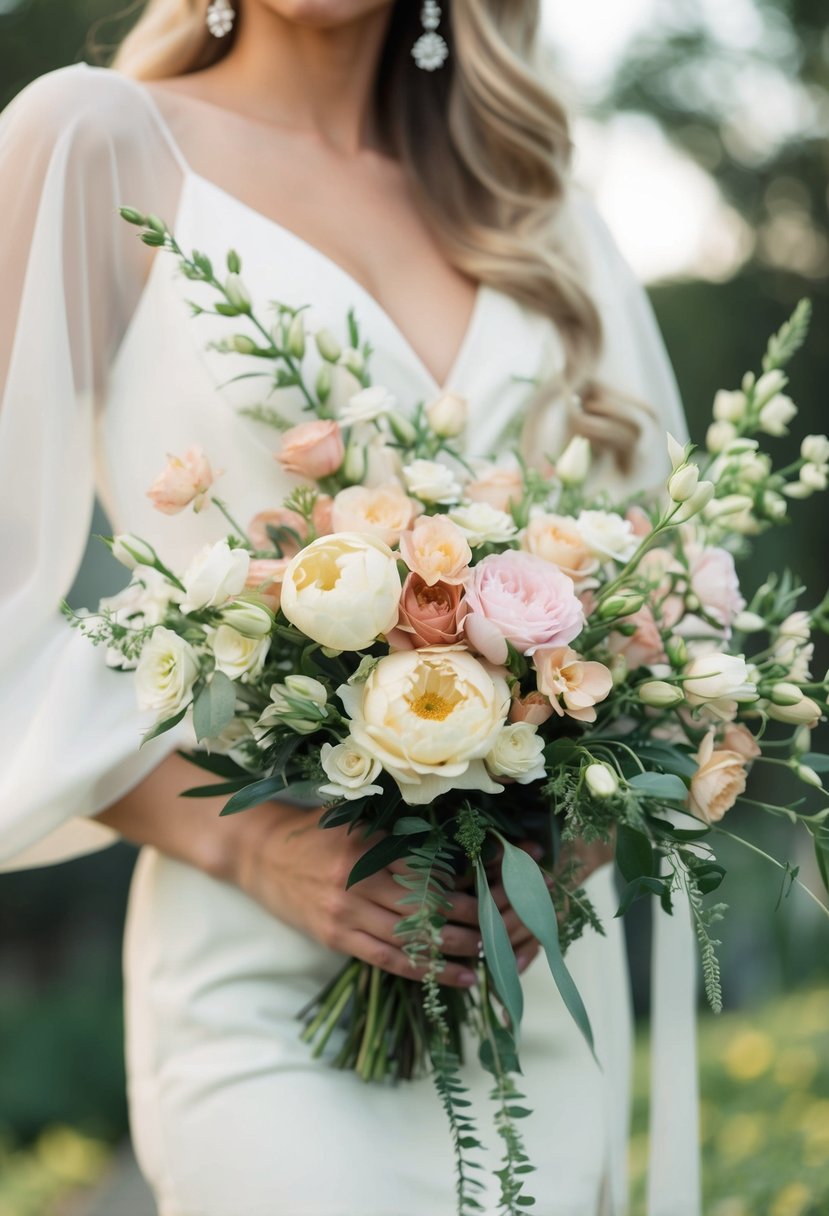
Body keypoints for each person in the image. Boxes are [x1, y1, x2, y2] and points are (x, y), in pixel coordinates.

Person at [0, 3, 699, 1214]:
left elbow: (681, 598)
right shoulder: (94, 140)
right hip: (263, 999)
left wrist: (576, 827)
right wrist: (246, 840)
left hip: (527, 983)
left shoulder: (535, 205)